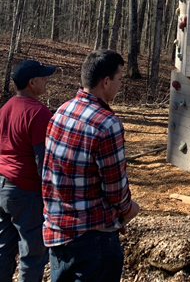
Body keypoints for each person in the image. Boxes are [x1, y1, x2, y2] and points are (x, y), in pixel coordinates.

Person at [42, 50, 139, 282]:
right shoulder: (107, 124)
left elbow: (48, 172)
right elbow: (115, 189)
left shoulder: (62, 111)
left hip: (57, 232)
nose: (121, 85)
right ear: (106, 82)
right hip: (92, 238)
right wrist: (129, 208)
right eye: (119, 79)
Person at [0, 59, 56, 282]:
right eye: (43, 78)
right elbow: (44, 161)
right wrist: (51, 198)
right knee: (32, 254)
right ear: (32, 83)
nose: (46, 81)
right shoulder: (39, 113)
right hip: (26, 190)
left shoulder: (5, 108)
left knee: (3, 249)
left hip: (3, 186)